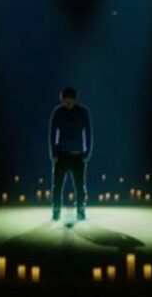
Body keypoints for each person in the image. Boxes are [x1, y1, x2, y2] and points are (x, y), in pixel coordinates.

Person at [47, 86, 93, 220]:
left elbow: (88, 133)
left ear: (74, 99)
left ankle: (81, 208)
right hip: (61, 154)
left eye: (70, 100)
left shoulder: (83, 112)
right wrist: (53, 152)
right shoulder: (58, 112)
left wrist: (87, 151)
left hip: (78, 155)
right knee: (57, 184)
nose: (67, 103)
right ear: (62, 99)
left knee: (79, 185)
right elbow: (52, 133)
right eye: (65, 100)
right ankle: (56, 209)